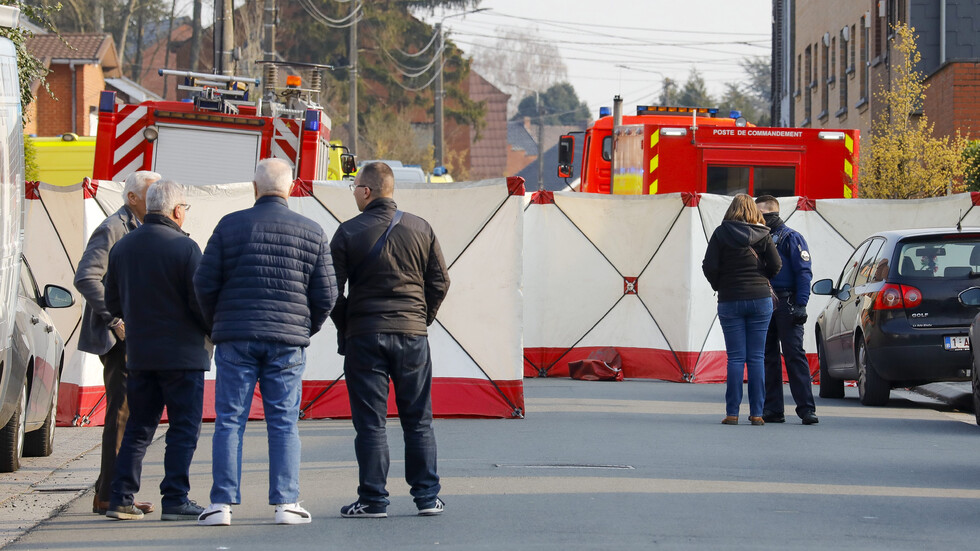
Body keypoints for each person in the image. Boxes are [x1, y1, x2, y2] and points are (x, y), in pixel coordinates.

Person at [194, 158, 337, 526]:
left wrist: (218, 323)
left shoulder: (229, 226)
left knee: (229, 420)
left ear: (255, 188)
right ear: (290, 188)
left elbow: (204, 284)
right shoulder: (312, 230)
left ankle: (221, 505)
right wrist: (305, 327)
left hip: (235, 337)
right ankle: (286, 504)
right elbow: (327, 294)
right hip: (288, 341)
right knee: (284, 421)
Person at [329, 161, 450, 518]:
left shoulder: (348, 232)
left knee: (370, 422)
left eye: (355, 188)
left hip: (365, 337)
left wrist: (350, 323)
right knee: (418, 420)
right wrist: (419, 318)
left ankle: (373, 499)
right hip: (412, 336)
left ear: (367, 191)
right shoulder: (420, 228)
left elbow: (330, 291)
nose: (354, 193)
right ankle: (427, 497)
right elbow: (440, 282)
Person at [103, 181, 210, 520]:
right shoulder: (186, 249)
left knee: (139, 426)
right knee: (183, 428)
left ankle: (121, 497)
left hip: (141, 354)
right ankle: (175, 499)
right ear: (177, 210)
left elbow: (112, 302)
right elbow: (201, 303)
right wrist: (212, 332)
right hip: (183, 356)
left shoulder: (123, 248)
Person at [74, 170, 160, 515]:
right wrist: (115, 319)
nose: (157, 202)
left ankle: (111, 490)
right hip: (118, 339)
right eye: (151, 194)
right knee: (122, 416)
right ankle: (111, 495)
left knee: (128, 414)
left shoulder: (137, 227)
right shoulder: (113, 227)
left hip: (134, 337)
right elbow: (86, 276)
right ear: (133, 198)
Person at [702, 194, 781, 426]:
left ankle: (732, 413)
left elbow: (709, 266)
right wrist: (761, 279)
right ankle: (757, 413)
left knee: (735, 358)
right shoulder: (764, 234)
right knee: (756, 357)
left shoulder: (721, 233)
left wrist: (720, 284)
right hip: (760, 299)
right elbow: (776, 265)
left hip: (730, 299)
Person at [755, 195, 818, 425]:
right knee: (767, 357)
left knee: (794, 355)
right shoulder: (758, 238)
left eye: (761, 215)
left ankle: (806, 409)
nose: (757, 219)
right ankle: (773, 409)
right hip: (764, 302)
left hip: (787, 302)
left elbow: (804, 272)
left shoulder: (791, 238)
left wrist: (801, 304)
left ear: (773, 214)